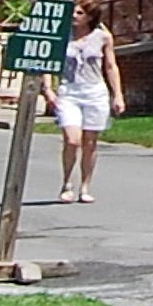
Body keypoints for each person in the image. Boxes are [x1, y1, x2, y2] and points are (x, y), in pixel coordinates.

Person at [52, 12, 121, 198]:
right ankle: (67, 183)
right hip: (69, 91)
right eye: (73, 12)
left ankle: (85, 186)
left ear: (90, 17)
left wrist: (118, 95)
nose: (74, 15)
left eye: (80, 13)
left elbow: (110, 66)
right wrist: (48, 89)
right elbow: (49, 62)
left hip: (95, 92)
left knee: (90, 142)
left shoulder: (103, 37)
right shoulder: (62, 36)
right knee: (72, 140)